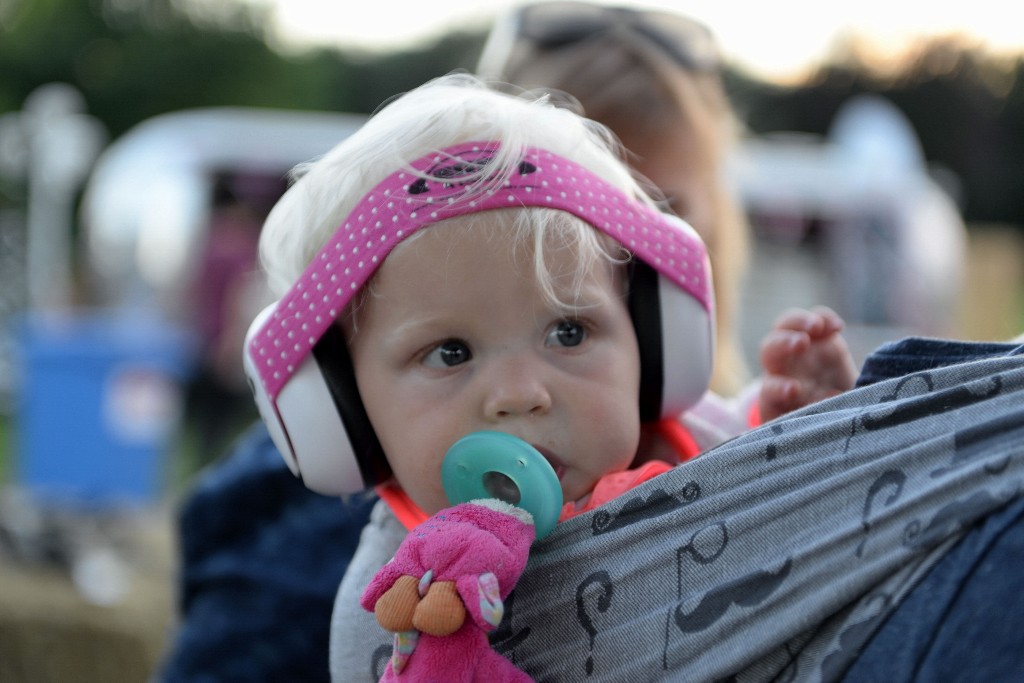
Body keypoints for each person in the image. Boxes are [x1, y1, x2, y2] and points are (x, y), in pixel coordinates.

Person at [236, 71, 856, 680]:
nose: (519, 395)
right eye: (450, 352)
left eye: (569, 332)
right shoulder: (395, 613)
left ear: (652, 335)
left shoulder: (703, 437)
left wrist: (803, 426)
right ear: (342, 406)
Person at [477, 1, 752, 397]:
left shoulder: (747, 417)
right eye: (574, 216)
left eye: (663, 210)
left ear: (715, 211)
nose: (623, 258)